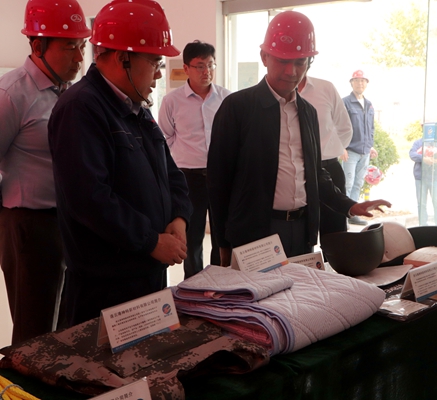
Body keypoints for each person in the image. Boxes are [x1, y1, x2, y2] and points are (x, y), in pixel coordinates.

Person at [47, 0, 193, 327]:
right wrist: (151, 240)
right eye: (154, 62)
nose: (160, 73)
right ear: (122, 57)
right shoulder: (81, 108)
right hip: (106, 287)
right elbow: (90, 198)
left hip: (147, 273)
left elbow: (171, 173)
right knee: (105, 362)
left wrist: (179, 217)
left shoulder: (136, 107)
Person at [207, 11, 390, 266]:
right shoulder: (237, 108)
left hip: (302, 231)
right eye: (282, 61)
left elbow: (315, 175)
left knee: (301, 291)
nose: (291, 71)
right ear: (264, 57)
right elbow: (219, 182)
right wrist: (222, 244)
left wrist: (350, 206)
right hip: (255, 234)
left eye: (300, 62)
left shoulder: (308, 112)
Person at [0, 0, 91, 344]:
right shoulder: (11, 94)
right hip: (30, 226)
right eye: (69, 47)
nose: (79, 58)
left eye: (81, 46)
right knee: (34, 331)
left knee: (67, 325)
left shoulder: (70, 93)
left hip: (69, 222)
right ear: (38, 46)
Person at [158, 41, 231, 278]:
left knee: (221, 232)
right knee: (192, 234)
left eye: (210, 65)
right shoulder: (172, 101)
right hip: (188, 178)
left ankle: (219, 279)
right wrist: (182, 157)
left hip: (221, 176)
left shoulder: (227, 99)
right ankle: (193, 282)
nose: (206, 71)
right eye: (200, 66)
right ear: (186, 68)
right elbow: (165, 137)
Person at [298, 74, 353, 235]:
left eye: (300, 62)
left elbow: (345, 128)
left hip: (328, 167)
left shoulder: (325, 88)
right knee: (299, 234)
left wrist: (327, 150)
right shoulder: (274, 93)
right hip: (293, 172)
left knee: (335, 237)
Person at [341, 70, 378, 226]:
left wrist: (370, 146)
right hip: (350, 151)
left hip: (365, 152)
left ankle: (353, 215)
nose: (360, 83)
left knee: (358, 184)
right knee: (347, 184)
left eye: (363, 81)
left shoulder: (369, 104)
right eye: (357, 80)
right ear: (351, 83)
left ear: (366, 83)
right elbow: (339, 126)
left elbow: (371, 128)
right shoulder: (345, 102)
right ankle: (343, 216)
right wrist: (341, 147)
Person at [409, 138, 437, 226]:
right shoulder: (419, 142)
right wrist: (423, 158)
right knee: (421, 204)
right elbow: (412, 154)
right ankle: (423, 226)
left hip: (434, 178)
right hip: (420, 178)